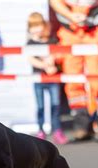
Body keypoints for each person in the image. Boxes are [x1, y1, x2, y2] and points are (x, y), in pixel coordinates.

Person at [50, 0, 98, 141]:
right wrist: (70, 15)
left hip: (94, 31)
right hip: (69, 32)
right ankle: (81, 125)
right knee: (73, 80)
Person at [27, 12, 68, 145]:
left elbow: (57, 53)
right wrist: (45, 65)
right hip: (39, 79)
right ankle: (41, 130)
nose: (37, 29)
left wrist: (51, 61)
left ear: (44, 25)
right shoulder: (30, 43)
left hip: (53, 79)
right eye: (33, 26)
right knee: (40, 106)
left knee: (55, 106)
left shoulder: (52, 40)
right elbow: (30, 59)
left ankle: (57, 130)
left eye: (38, 25)